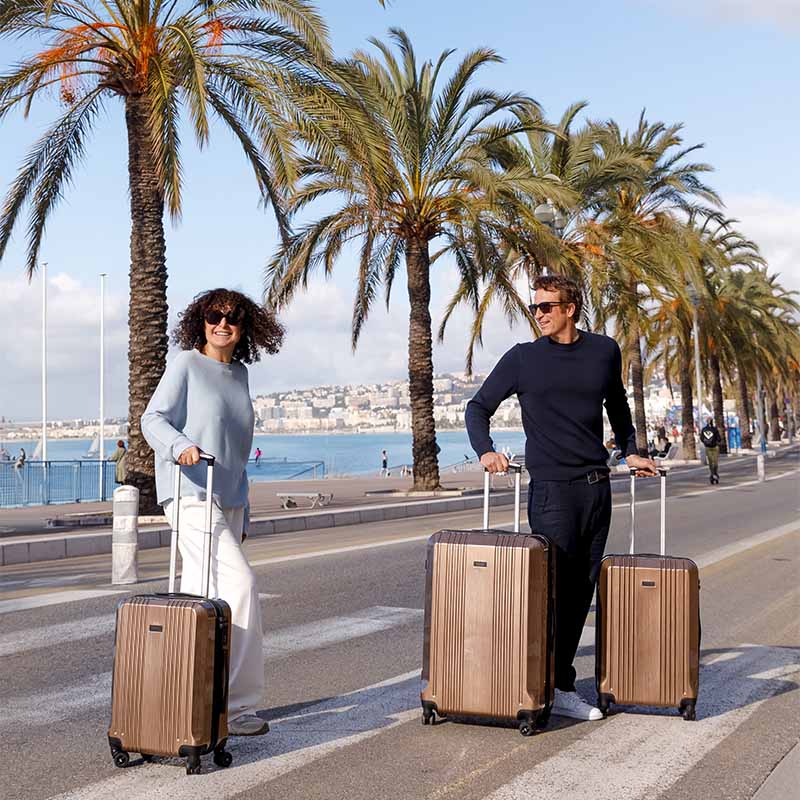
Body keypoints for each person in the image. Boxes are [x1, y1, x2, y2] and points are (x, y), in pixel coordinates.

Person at [465, 274, 656, 722]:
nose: (539, 314)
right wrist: (486, 450)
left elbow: (618, 407)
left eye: (547, 306)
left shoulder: (603, 351)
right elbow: (477, 407)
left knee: (580, 592)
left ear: (571, 308)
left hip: (597, 488)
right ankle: (537, 683)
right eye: (535, 308)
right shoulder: (522, 359)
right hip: (551, 492)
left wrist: (631, 452)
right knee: (549, 593)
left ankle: (559, 684)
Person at [142, 288, 284, 737]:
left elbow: (236, 449)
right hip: (189, 493)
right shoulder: (185, 364)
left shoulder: (239, 373)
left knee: (201, 595)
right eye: (213, 316)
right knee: (241, 584)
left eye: (232, 318)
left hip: (229, 498)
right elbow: (153, 419)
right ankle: (237, 707)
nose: (222, 325)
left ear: (245, 328)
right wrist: (181, 446)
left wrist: (243, 505)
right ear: (200, 322)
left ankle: (190, 696)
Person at [700, 417, 722, 484]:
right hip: (715, 447)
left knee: (710, 462)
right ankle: (715, 473)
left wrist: (706, 442)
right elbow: (719, 438)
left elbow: (701, 438)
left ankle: (712, 474)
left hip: (708, 447)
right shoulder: (714, 429)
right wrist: (717, 441)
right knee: (715, 462)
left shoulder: (704, 429)